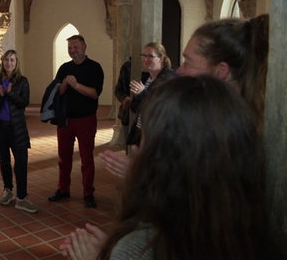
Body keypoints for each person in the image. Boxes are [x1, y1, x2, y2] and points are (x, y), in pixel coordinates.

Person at [60, 75, 266, 260]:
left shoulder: (147, 245)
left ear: (167, 160)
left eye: (145, 143)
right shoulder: (246, 228)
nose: (136, 150)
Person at [100, 14, 269, 178]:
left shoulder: (229, 130)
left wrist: (143, 175)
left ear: (221, 71)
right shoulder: (219, 116)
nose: (179, 71)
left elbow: (203, 196)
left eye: (188, 62)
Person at [48, 34, 104, 208]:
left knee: (87, 158)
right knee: (63, 157)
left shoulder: (94, 68)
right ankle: (63, 189)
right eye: (70, 48)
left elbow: (95, 93)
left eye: (76, 47)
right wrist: (65, 84)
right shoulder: (64, 68)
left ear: (84, 47)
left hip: (86, 119)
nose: (73, 51)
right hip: (66, 120)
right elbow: (58, 92)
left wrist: (76, 85)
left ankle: (88, 192)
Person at [0, 50, 37, 213]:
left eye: (12, 60)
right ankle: (8, 190)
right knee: (4, 162)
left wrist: (10, 93)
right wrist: (0, 96)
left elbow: (23, 103)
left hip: (17, 128)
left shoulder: (22, 81)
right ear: (3, 62)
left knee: (21, 163)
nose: (9, 63)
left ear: (16, 63)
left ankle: (22, 197)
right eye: (6, 60)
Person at [126, 42, 175, 146]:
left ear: (161, 58)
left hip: (157, 134)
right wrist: (136, 96)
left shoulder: (169, 79)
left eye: (150, 56)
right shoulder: (148, 78)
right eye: (143, 55)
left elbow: (160, 108)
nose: (145, 59)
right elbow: (136, 108)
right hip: (142, 130)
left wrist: (142, 93)